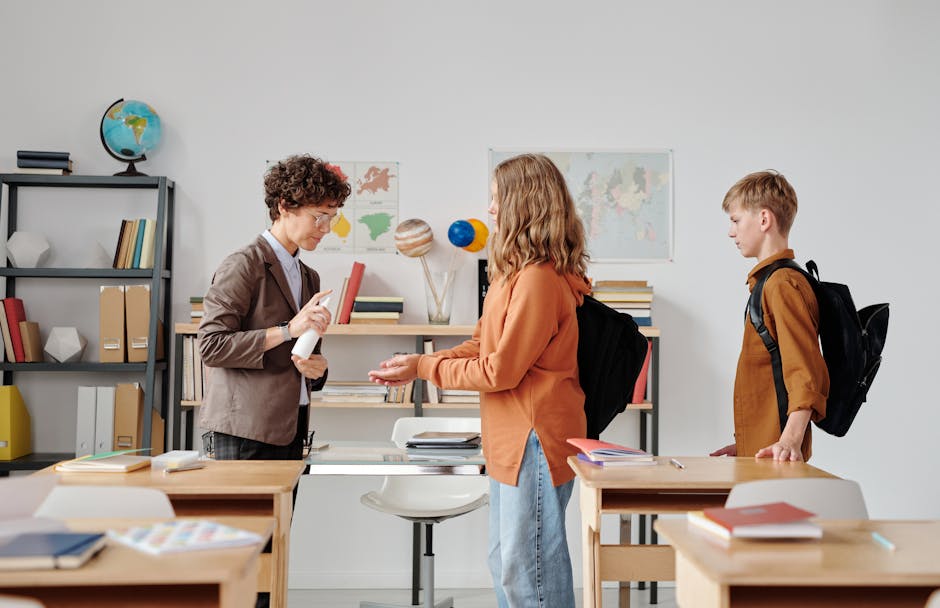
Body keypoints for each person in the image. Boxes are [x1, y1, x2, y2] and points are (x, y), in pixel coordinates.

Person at [369, 154, 590, 608]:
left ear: (524, 204)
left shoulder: (539, 281)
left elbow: (498, 371)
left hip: (536, 437)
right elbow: (481, 344)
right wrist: (420, 360)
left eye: (496, 199)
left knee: (529, 570)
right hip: (511, 437)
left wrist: (424, 370)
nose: (490, 210)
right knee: (508, 563)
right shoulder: (515, 275)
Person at [198, 154, 351, 462]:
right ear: (283, 206)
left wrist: (318, 371)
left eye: (331, 219)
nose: (326, 228)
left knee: (283, 513)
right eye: (318, 217)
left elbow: (301, 356)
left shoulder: (309, 276)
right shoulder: (243, 265)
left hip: (291, 428)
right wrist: (287, 330)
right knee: (247, 514)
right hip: (245, 429)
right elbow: (212, 346)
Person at [710, 170, 829, 462]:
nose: (731, 231)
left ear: (764, 220)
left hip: (778, 461)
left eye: (736, 220)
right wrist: (749, 445)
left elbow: (804, 372)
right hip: (764, 455)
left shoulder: (781, 285)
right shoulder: (769, 283)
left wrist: (789, 441)